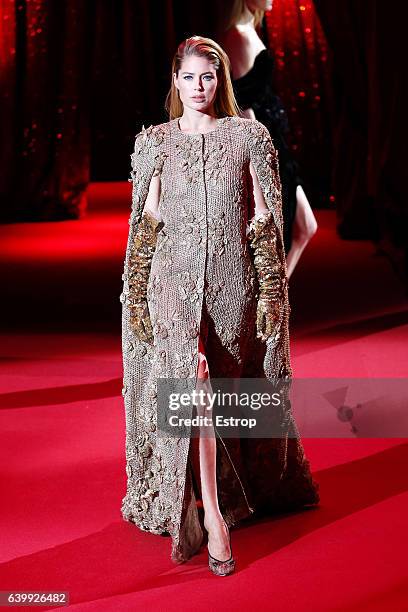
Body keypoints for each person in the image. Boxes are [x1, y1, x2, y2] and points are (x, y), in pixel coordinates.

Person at [120, 35, 319, 576]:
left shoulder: (248, 137)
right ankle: (212, 519)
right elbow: (145, 226)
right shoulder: (155, 143)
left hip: (232, 288)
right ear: (175, 82)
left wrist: (271, 293)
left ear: (221, 80)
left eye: (206, 77)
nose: (197, 87)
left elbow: (266, 222)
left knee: (227, 392)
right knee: (195, 391)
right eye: (187, 77)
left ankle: (218, 498)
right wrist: (136, 297)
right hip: (175, 288)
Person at [217, 0, 318, 277]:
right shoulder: (237, 34)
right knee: (288, 231)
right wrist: (262, 159)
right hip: (267, 147)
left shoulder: (249, 30)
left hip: (277, 144)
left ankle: (271, 306)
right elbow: (242, 105)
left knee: (304, 227)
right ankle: (266, 308)